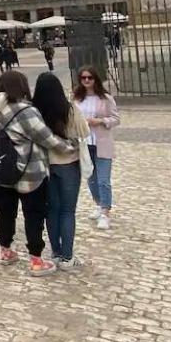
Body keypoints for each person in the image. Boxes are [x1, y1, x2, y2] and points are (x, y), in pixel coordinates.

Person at [0, 71, 74, 277]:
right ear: (22, 86)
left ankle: (6, 251)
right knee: (33, 214)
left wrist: (6, 153)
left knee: (4, 212)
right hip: (30, 173)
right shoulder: (25, 111)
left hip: (1, 172)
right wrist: (68, 147)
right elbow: (46, 138)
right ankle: (36, 261)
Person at [32, 72, 94, 271]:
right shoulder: (69, 109)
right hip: (68, 163)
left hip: (46, 165)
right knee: (68, 210)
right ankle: (68, 256)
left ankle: (56, 253)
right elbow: (85, 131)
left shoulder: (34, 112)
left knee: (52, 210)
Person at [72, 66, 119, 230]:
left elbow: (115, 118)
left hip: (101, 142)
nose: (86, 81)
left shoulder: (105, 98)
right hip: (84, 143)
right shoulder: (76, 99)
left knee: (103, 180)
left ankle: (106, 212)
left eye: (89, 78)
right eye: (83, 78)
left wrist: (100, 121)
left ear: (95, 79)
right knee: (91, 178)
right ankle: (99, 204)